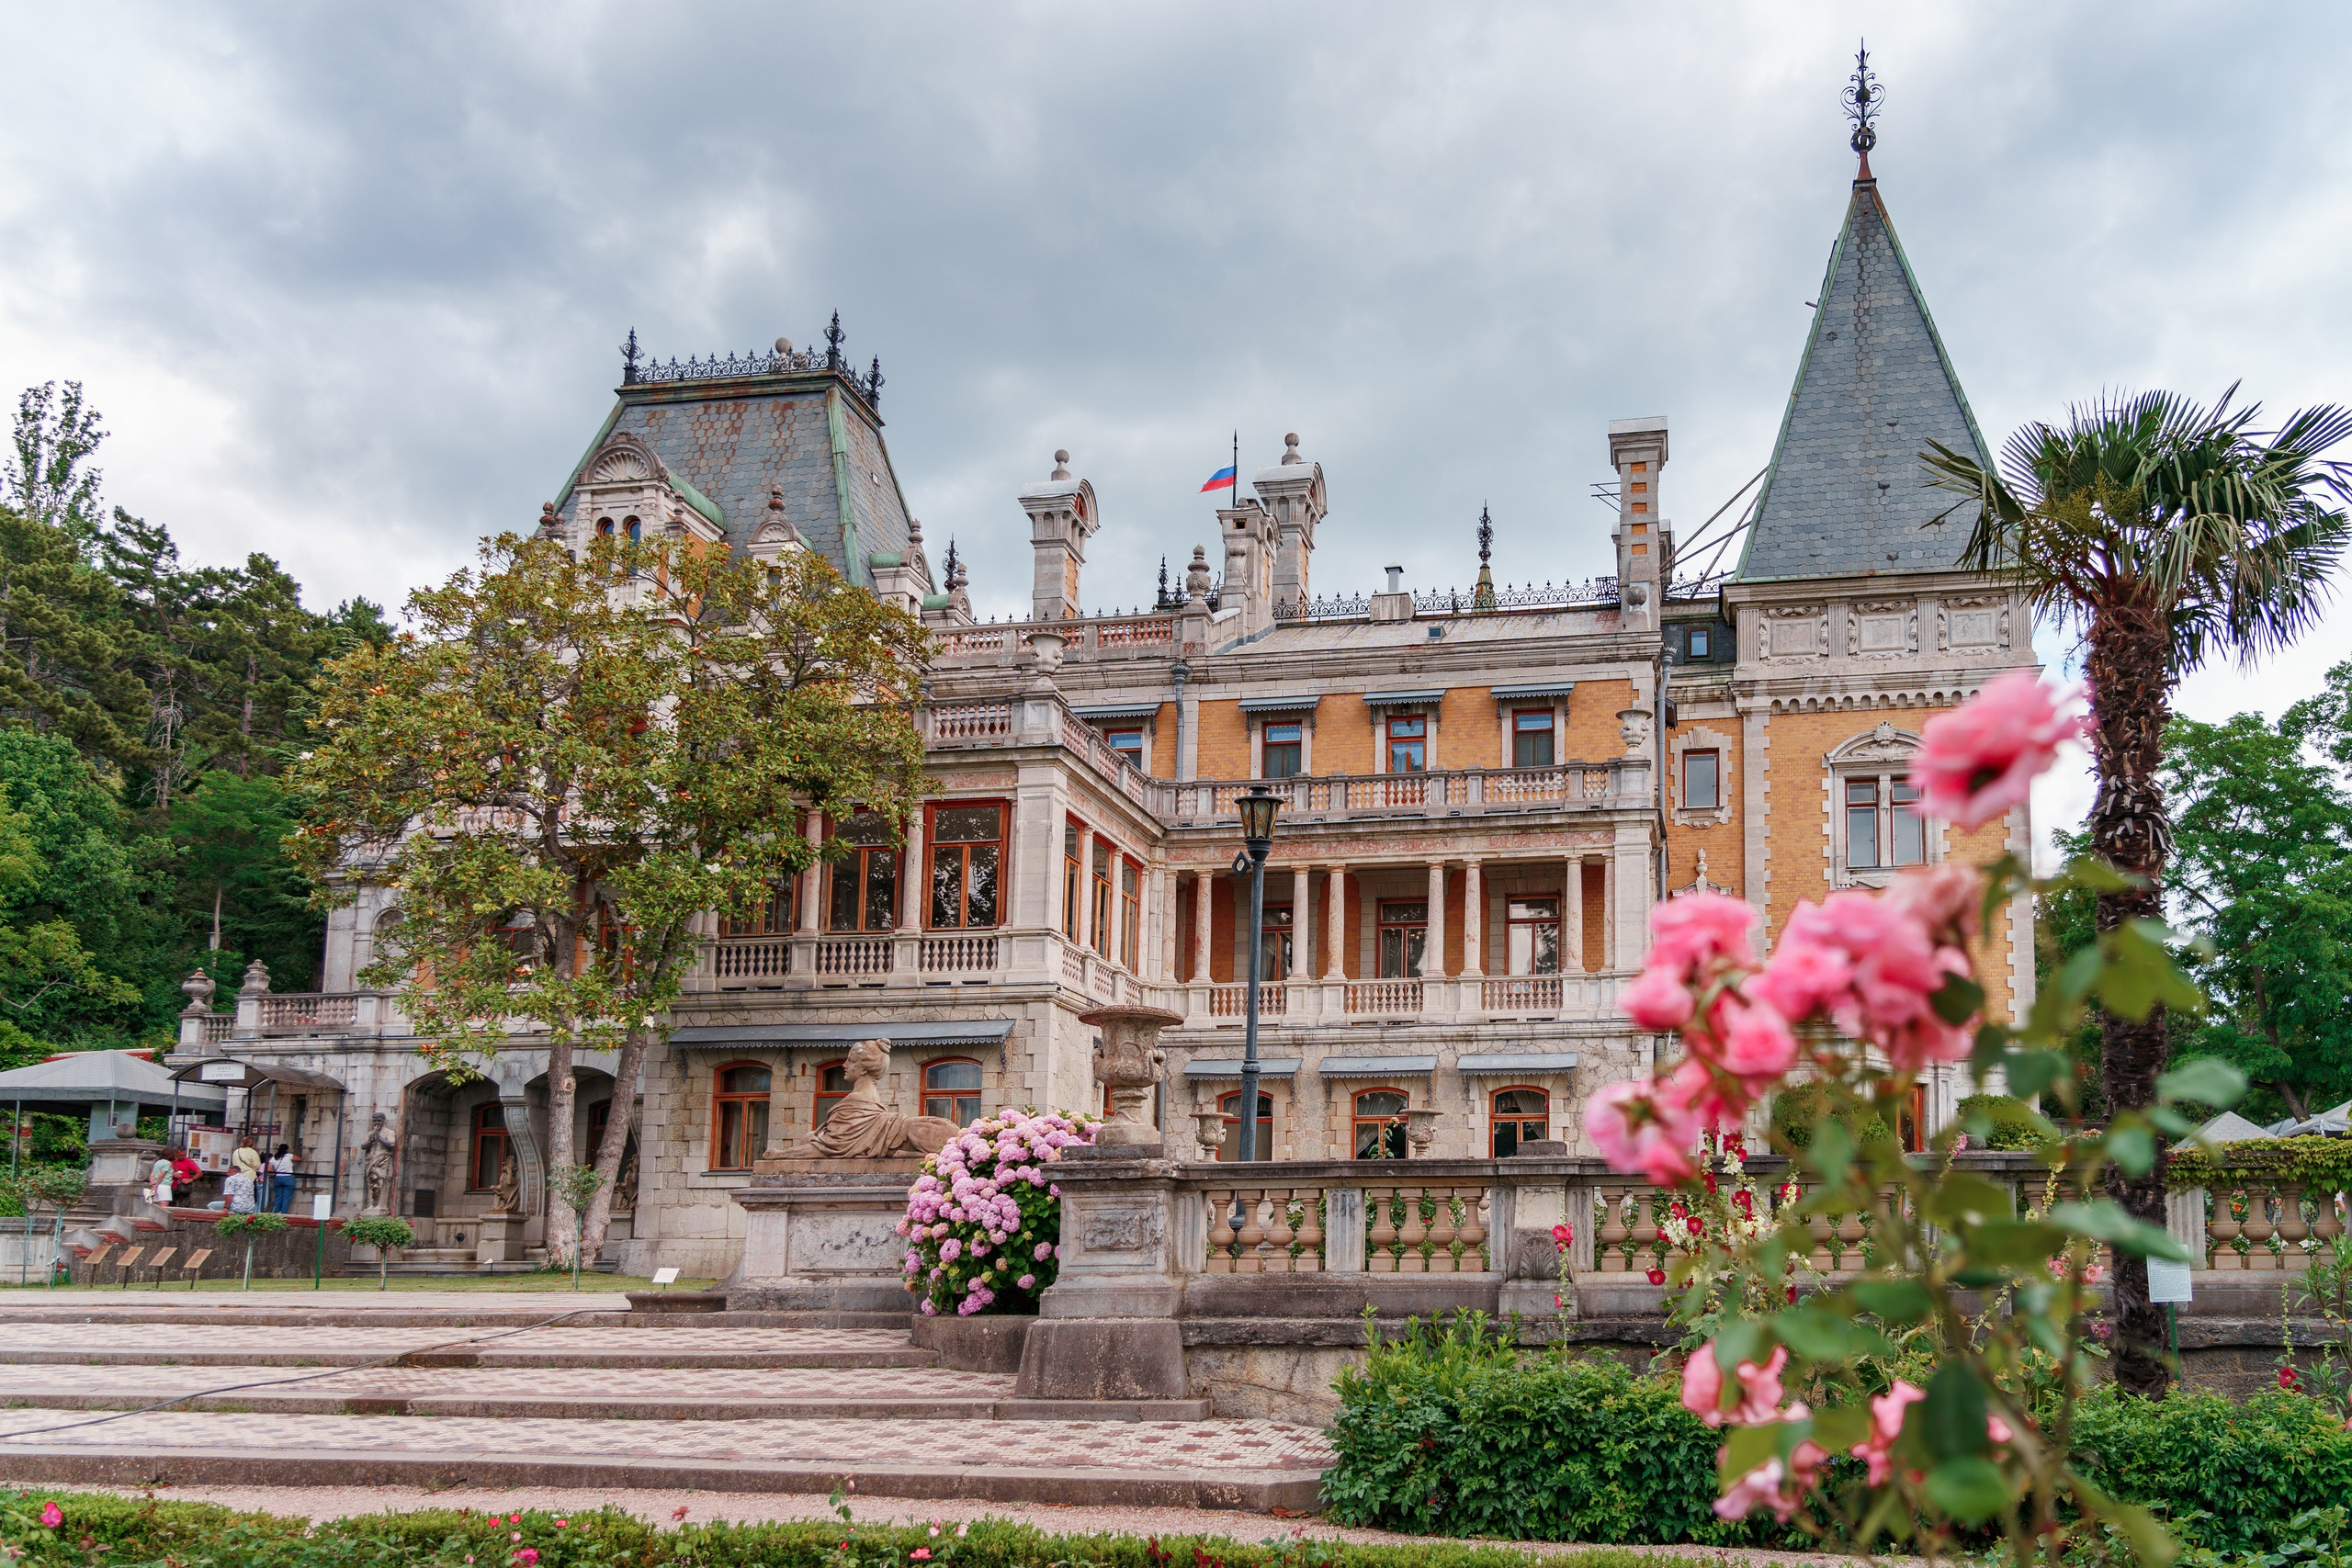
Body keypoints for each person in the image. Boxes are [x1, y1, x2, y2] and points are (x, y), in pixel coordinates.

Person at [267, 1145, 297, 1213]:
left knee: (277, 1198)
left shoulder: (274, 1158)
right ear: (287, 1150)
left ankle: (275, 1214)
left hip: (278, 1178)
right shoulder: (289, 1156)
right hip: (288, 1177)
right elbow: (298, 1159)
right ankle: (283, 1214)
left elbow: (269, 1169)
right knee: (286, 1198)